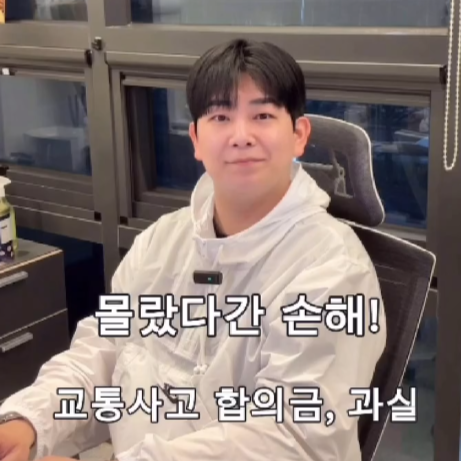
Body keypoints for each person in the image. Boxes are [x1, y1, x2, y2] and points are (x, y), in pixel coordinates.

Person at [0, 38, 386, 461]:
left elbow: (295, 438)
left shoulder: (334, 270)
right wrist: (29, 420)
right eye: (221, 116)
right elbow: (104, 352)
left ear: (298, 135)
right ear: (197, 140)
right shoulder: (160, 243)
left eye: (262, 115)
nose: (241, 136)